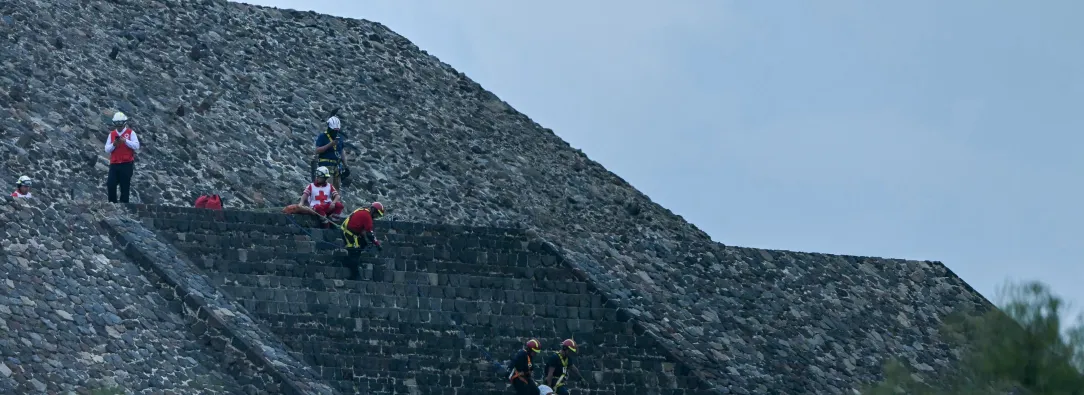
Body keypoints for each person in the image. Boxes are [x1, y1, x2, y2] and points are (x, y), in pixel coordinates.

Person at [340, 201, 385, 280]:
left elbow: (362, 229)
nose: (376, 217)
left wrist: (366, 241)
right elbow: (370, 234)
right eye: (376, 215)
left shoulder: (363, 211)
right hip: (348, 234)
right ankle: (354, 275)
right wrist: (378, 244)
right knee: (354, 254)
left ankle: (352, 261)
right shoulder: (367, 217)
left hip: (351, 232)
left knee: (361, 245)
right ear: (373, 211)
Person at [104, 111, 140, 203]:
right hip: (114, 164)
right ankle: (112, 203)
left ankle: (124, 206)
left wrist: (126, 141)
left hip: (126, 164)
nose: (119, 126)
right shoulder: (111, 134)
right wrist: (114, 144)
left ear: (124, 123)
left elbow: (136, 146)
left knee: (125, 186)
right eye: (117, 124)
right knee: (111, 184)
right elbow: (107, 149)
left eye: (120, 124)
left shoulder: (131, 133)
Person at [313, 116, 346, 191]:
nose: (335, 132)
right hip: (326, 167)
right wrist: (330, 145)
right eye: (333, 130)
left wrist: (346, 166)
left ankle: (335, 202)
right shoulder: (322, 137)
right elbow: (317, 150)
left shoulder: (339, 139)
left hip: (337, 167)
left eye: (337, 130)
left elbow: (342, 152)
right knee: (327, 189)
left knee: (336, 190)